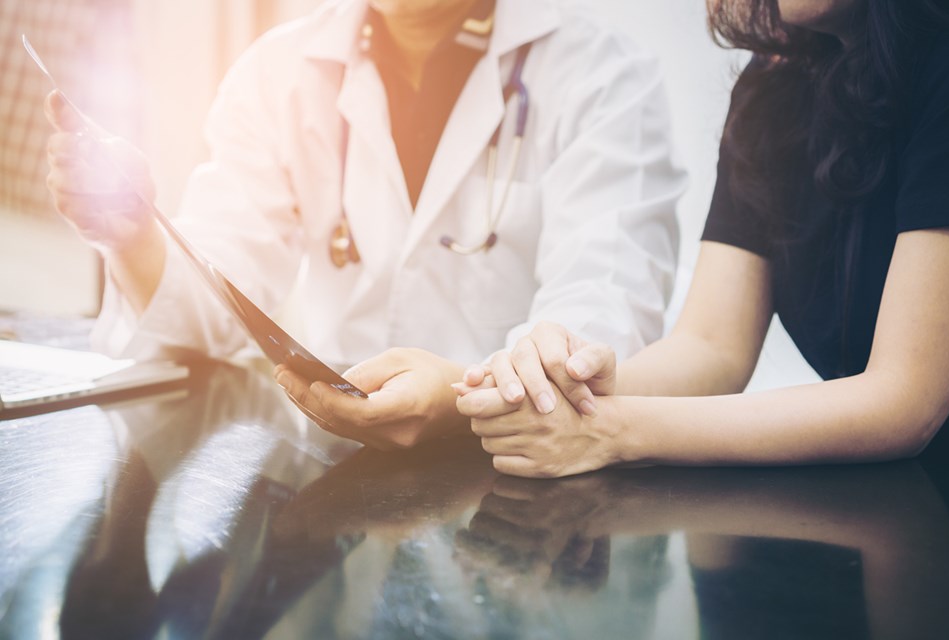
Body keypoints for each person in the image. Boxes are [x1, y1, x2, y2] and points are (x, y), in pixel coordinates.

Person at [44, 0, 685, 448]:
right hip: (334, 471)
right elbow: (215, 302)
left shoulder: (605, 75)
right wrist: (131, 237)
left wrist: (465, 399)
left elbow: (603, 318)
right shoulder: (278, 72)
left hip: (532, 478)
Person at [455, 0, 949, 477]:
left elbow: (903, 401)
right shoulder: (774, 83)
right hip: (873, 502)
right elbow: (711, 347)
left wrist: (609, 430)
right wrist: (572, 386)